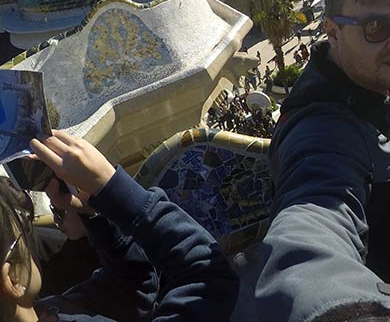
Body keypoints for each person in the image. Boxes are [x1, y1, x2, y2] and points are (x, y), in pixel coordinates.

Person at [255, 0, 390, 322]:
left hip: (387, 282)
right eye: (377, 28)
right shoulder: (324, 130)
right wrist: (345, 311)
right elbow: (313, 220)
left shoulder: (366, 91)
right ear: (333, 32)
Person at [0, 130, 239, 321]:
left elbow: (133, 289)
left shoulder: (49, 309)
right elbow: (209, 277)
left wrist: (93, 214)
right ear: (12, 279)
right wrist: (114, 190)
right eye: (23, 228)